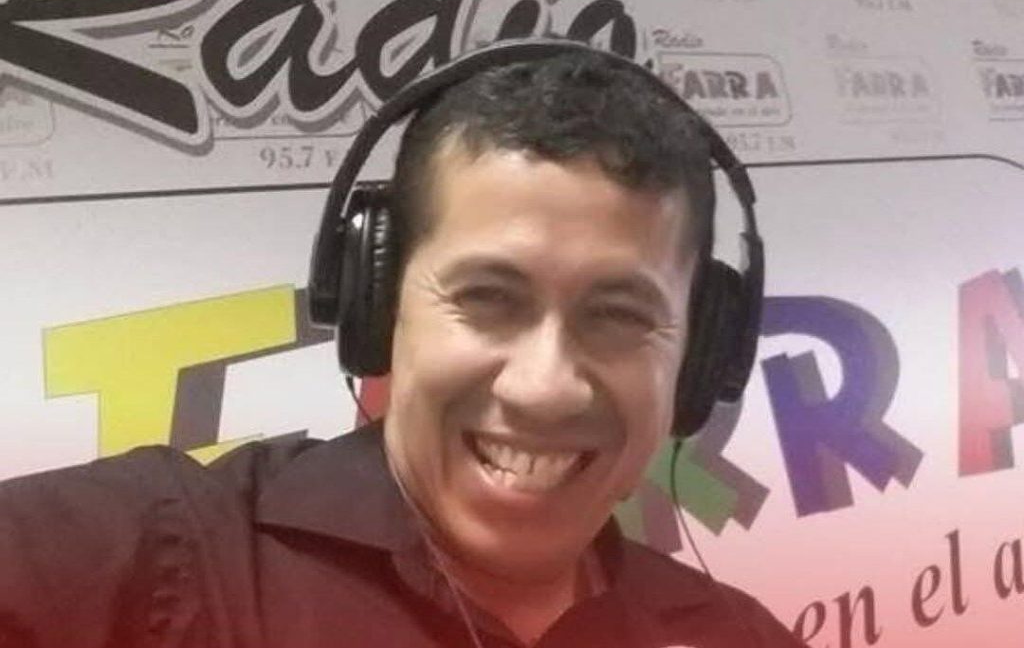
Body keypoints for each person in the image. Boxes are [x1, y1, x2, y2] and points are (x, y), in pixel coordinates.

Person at [0, 41, 806, 647]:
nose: (544, 386)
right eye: (488, 299)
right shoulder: (169, 547)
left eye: (620, 315)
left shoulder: (736, 634)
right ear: (380, 305)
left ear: (702, 351)